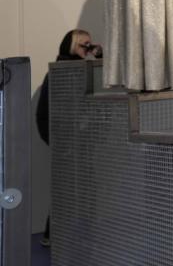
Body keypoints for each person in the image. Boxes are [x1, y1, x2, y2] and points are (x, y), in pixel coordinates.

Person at [35, 29, 102, 246]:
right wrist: (57, 144)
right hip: (67, 145)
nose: (88, 49)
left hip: (84, 145)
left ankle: (84, 238)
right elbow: (43, 114)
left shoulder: (86, 70)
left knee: (88, 191)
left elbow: (104, 91)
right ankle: (52, 235)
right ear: (71, 46)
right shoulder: (57, 73)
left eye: (90, 45)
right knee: (64, 192)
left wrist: (99, 56)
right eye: (84, 45)